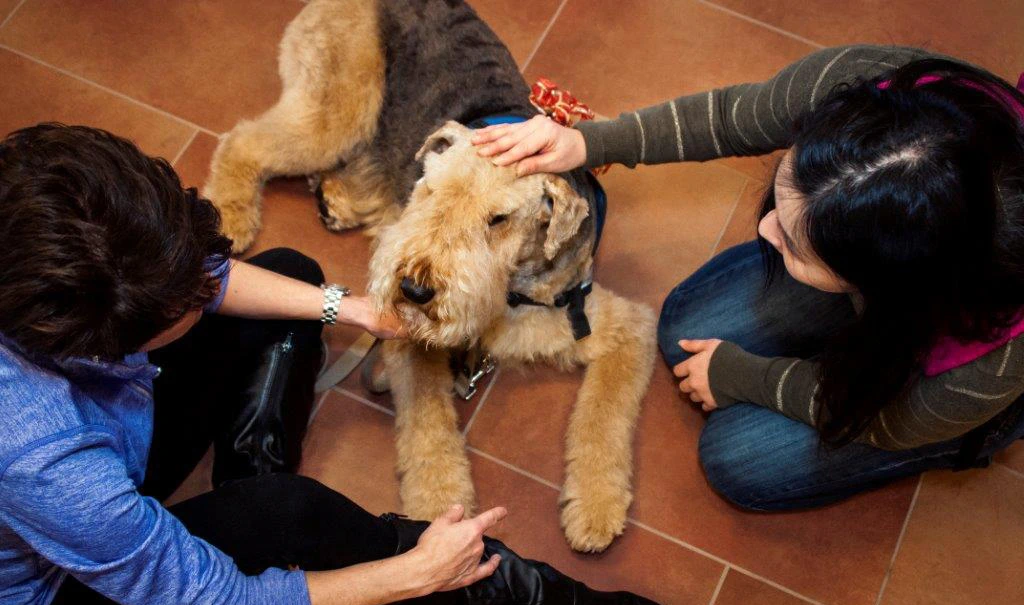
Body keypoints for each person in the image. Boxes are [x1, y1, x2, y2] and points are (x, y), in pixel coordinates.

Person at [0, 123, 658, 605]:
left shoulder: (27, 232)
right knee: (290, 512)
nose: (209, 277)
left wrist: (356, 310)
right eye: (185, 293)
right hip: (66, 585)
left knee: (291, 280)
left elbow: (189, 274)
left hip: (104, 440)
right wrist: (413, 574)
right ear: (98, 342)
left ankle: (250, 481)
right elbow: (202, 593)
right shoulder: (45, 457)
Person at [473, 45, 1024, 510]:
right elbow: (732, 116)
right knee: (682, 325)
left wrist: (747, 376)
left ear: (890, 290)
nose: (763, 228)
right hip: (896, 295)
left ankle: (971, 438)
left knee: (735, 460)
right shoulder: (873, 97)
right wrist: (592, 142)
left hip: (944, 379)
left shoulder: (992, 360)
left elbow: (895, 420)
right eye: (783, 201)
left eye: (796, 242)